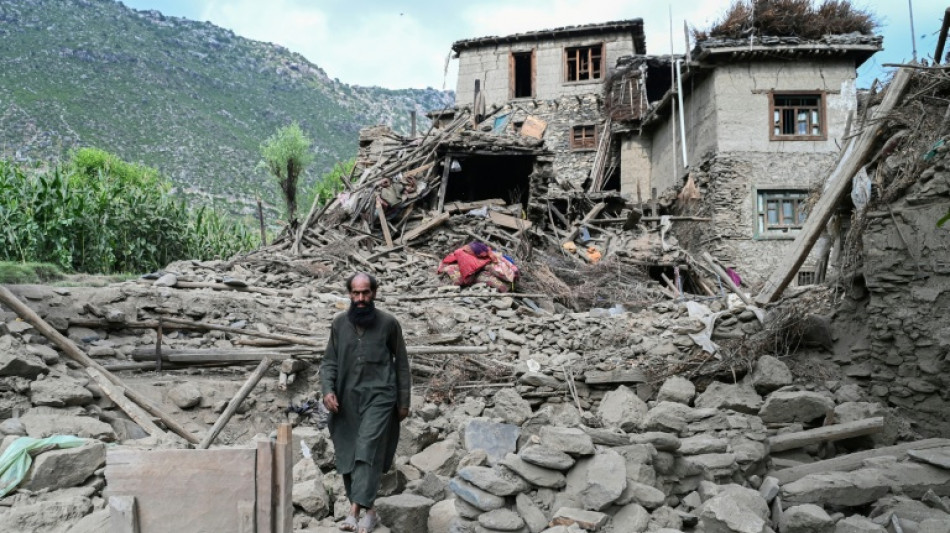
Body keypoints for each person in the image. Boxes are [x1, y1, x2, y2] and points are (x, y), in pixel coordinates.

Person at [321, 272, 411, 533]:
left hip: (381, 397)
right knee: (349, 452)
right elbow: (328, 362)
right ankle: (370, 513)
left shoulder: (388, 323)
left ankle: (353, 511)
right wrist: (327, 390)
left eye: (366, 293)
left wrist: (403, 400)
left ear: (374, 293)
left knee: (367, 447)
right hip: (347, 400)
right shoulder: (339, 324)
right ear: (350, 294)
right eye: (356, 293)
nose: (361, 298)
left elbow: (402, 364)